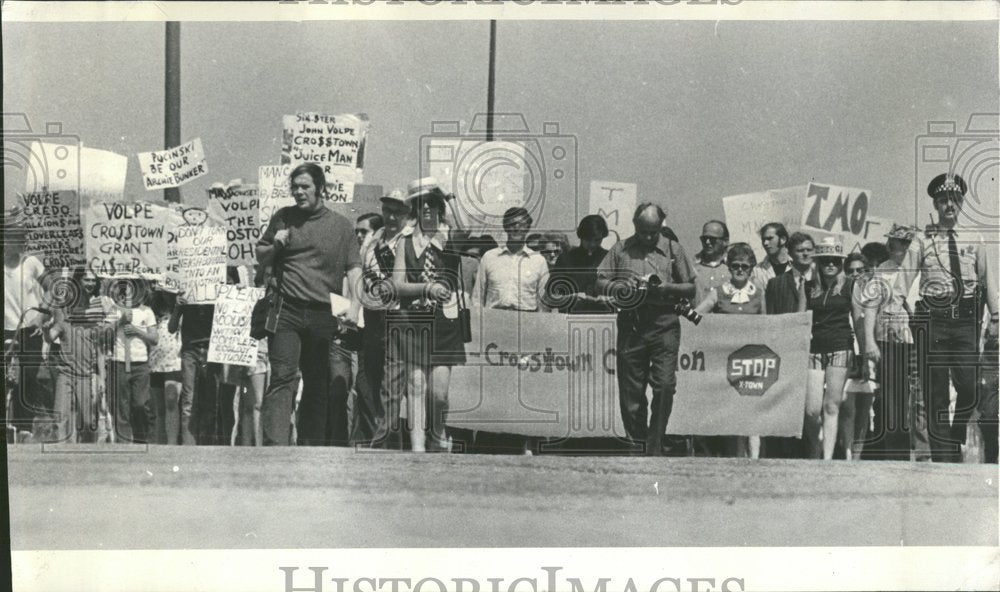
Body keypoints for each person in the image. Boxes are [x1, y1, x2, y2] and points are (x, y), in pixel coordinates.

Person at [257, 162, 363, 447]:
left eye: (305, 187)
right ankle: (275, 448)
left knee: (317, 383)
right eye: (295, 187)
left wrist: (355, 305)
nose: (299, 192)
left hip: (321, 314)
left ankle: (310, 449)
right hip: (286, 310)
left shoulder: (342, 227)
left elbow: (354, 269)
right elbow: (261, 257)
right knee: (283, 376)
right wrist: (276, 244)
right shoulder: (283, 217)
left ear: (321, 189)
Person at [897, 173, 998, 463]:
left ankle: (956, 432)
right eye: (943, 200)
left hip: (965, 320)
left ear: (961, 202)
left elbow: (986, 279)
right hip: (933, 320)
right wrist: (897, 311)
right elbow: (902, 282)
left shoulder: (974, 238)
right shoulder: (922, 241)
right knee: (935, 391)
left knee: (970, 388)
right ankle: (944, 460)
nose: (949, 205)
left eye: (954, 199)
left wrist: (996, 315)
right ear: (936, 204)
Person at [595, 203, 697, 456]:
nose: (648, 237)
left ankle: (654, 444)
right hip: (632, 323)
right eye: (643, 232)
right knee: (631, 393)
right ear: (635, 226)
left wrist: (666, 288)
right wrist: (620, 285)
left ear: (660, 226)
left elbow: (691, 288)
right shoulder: (621, 249)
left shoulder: (673, 249)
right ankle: (637, 446)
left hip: (664, 323)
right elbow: (599, 281)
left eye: (653, 232)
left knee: (664, 385)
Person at [390, 177, 467, 452]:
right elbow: (397, 286)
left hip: (445, 324)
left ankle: (437, 434)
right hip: (414, 321)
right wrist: (427, 287)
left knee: (439, 394)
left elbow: (466, 229)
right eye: (420, 205)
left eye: (432, 204)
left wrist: (448, 196)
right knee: (415, 385)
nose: (426, 210)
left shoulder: (448, 239)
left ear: (439, 207)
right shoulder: (405, 242)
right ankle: (417, 450)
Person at [855, 225, 926, 461]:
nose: (897, 247)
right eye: (895, 242)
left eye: (903, 243)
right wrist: (869, 344)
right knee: (890, 399)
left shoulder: (922, 271)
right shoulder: (882, 272)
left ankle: (925, 456)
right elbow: (870, 307)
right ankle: (895, 455)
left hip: (918, 339)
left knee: (920, 400)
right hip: (890, 340)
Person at [694, 242, 765, 458]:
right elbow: (697, 316)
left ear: (752, 268)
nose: (740, 270)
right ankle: (734, 458)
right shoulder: (719, 293)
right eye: (736, 266)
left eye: (745, 266)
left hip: (751, 361)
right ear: (729, 267)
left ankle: (754, 460)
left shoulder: (758, 294)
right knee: (730, 411)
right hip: (724, 361)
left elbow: (767, 325)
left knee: (752, 412)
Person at [354, 189, 411, 448]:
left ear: (407, 215)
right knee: (369, 381)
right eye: (387, 210)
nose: (391, 217)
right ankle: (373, 438)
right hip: (373, 316)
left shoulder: (409, 241)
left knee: (392, 384)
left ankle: (387, 443)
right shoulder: (372, 242)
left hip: (398, 317)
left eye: (398, 212)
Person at [802, 235, 857, 460]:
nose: (830, 265)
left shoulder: (850, 286)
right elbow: (800, 319)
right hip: (814, 350)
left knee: (832, 406)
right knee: (812, 410)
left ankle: (827, 459)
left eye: (835, 260)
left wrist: (863, 353)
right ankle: (815, 447)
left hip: (840, 348)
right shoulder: (807, 287)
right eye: (825, 260)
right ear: (818, 262)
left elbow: (860, 319)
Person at [761, 231, 815, 458]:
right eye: (800, 250)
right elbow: (770, 320)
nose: (805, 254)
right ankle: (781, 454)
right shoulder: (775, 284)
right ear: (791, 254)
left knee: (810, 407)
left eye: (809, 250)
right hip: (784, 352)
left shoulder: (821, 281)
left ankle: (809, 454)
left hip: (813, 351)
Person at [46, 267, 110, 443]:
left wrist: (102, 379)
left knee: (89, 422)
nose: (90, 283)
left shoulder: (97, 311)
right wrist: (45, 329)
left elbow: (99, 350)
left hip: (85, 375)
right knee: (61, 418)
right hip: (65, 372)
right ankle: (60, 458)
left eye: (92, 280)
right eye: (86, 279)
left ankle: (88, 458)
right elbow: (52, 335)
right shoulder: (64, 312)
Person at [3, 207, 49, 441]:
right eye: (15, 237)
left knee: (29, 377)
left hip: (29, 328)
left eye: (23, 238)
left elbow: (56, 289)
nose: (21, 242)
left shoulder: (31, 263)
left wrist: (44, 313)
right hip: (4, 329)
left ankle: (25, 428)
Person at [104, 278, 158, 444]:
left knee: (140, 404)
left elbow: (154, 338)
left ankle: (141, 438)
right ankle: (124, 442)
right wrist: (120, 321)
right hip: (120, 362)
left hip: (140, 363)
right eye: (128, 289)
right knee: (122, 406)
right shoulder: (115, 309)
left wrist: (137, 331)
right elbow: (105, 333)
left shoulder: (147, 311)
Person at [474, 208, 550, 312]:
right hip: (493, 318)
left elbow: (543, 302)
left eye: (522, 224)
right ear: (505, 227)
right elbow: (478, 297)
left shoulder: (539, 261)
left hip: (527, 319)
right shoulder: (489, 257)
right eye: (512, 224)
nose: (517, 228)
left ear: (528, 228)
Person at [168, 286, 217, 446]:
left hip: (212, 350)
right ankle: (189, 447)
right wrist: (177, 306)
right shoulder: (186, 292)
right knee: (188, 400)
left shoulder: (217, 290)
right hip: (190, 350)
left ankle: (206, 444)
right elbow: (171, 328)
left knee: (210, 399)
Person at [546, 215, 613, 314]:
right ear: (580, 236)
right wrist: (570, 299)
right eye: (588, 240)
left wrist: (609, 299)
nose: (593, 244)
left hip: (601, 319)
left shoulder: (609, 258)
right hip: (570, 318)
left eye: (597, 240)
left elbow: (620, 294)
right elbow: (550, 297)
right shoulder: (565, 258)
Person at [147, 286, 183, 444]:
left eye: (172, 292)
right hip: (156, 362)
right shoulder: (153, 312)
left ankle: (172, 443)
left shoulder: (182, 309)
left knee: (171, 400)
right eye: (166, 292)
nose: (169, 295)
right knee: (159, 407)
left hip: (175, 361)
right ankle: (160, 443)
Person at [692, 220, 730, 307]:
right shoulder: (692, 267)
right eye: (704, 239)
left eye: (712, 239)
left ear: (725, 241)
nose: (707, 242)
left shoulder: (735, 267)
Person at [751, 222, 791, 290]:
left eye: (770, 238)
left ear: (783, 239)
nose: (765, 243)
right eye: (763, 240)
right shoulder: (757, 271)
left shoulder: (797, 266)